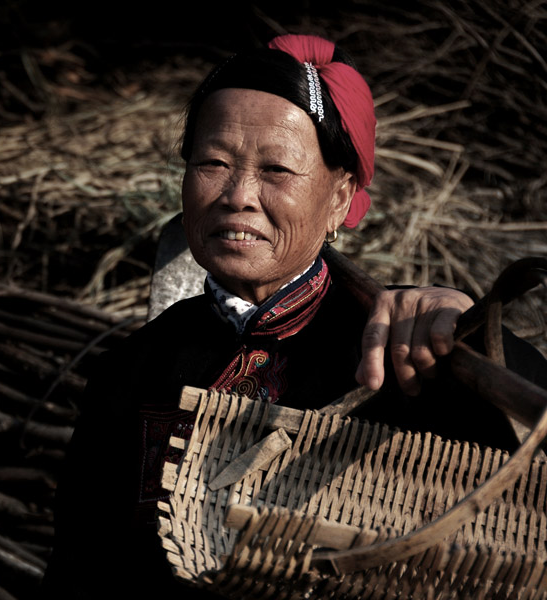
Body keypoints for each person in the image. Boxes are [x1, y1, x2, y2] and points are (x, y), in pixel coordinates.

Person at [41, 34, 547, 599]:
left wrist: (468, 333)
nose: (238, 195)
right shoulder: (131, 372)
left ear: (338, 199)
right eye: (212, 162)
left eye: (278, 169)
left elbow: (529, 442)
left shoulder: (397, 347)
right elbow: (79, 569)